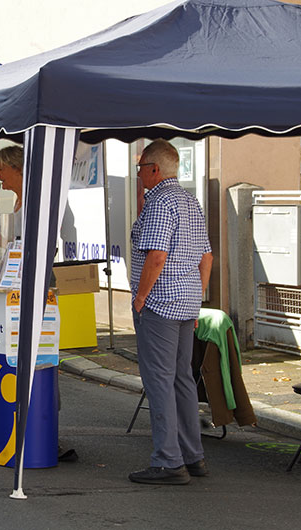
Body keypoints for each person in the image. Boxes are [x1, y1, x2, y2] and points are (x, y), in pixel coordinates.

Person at [128, 139, 213, 486]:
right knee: (181, 379)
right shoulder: (190, 201)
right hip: (186, 302)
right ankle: (193, 456)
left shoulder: (160, 202)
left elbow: (157, 256)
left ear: (154, 169)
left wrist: (140, 297)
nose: (139, 174)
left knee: (159, 380)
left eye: (140, 168)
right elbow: (206, 257)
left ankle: (168, 460)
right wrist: (197, 297)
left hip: (160, 303)